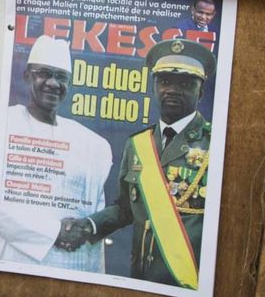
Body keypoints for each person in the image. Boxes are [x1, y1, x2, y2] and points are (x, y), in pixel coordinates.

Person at [61, 38, 217, 290]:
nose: (173, 90)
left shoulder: (216, 144)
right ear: (154, 86)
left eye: (185, 84)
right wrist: (88, 226)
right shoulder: (139, 143)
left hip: (187, 281)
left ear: (202, 91)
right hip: (141, 279)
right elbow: (126, 208)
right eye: (165, 81)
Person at [0, 36, 112, 272]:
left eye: (61, 77)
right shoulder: (4, 123)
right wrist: (53, 232)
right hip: (17, 260)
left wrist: (96, 271)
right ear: (28, 75)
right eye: (44, 73)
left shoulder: (92, 143)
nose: (53, 83)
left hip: (76, 264)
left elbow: (95, 208)